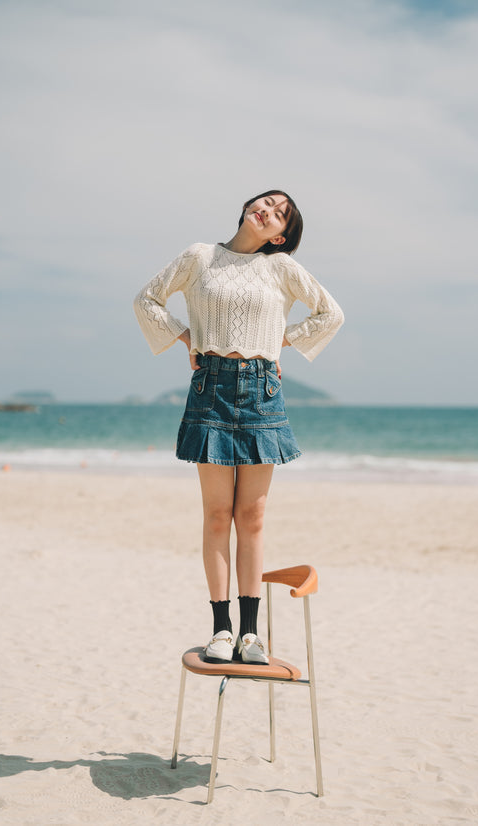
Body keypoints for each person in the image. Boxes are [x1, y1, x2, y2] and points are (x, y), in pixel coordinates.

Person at [134, 190, 344, 665]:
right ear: (250, 207)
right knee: (215, 515)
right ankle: (221, 630)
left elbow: (331, 313)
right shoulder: (200, 256)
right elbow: (147, 299)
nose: (267, 209)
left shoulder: (282, 268)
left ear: (281, 235)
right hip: (210, 387)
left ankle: (251, 635)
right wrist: (184, 336)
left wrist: (278, 344)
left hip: (260, 392)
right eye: (265, 201)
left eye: (279, 212)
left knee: (251, 518)